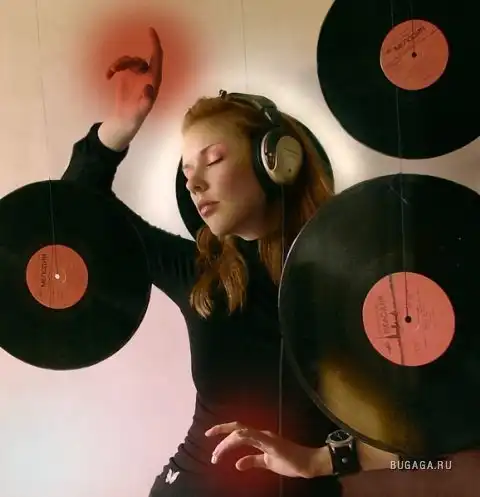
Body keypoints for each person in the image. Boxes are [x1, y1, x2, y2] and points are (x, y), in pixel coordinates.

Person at [61, 28, 399, 497]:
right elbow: (76, 212)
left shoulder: (365, 278)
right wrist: (121, 124)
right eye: (187, 172)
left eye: (213, 159)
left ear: (277, 162)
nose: (195, 183)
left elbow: (432, 449)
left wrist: (318, 461)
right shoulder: (199, 272)